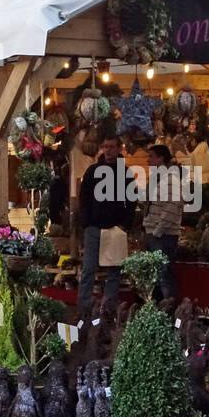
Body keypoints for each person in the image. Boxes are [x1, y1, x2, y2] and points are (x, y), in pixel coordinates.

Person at [77, 134, 134, 315]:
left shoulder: (125, 173)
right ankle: (85, 306)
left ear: (118, 149)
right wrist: (86, 222)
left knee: (114, 270)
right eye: (106, 147)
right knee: (88, 269)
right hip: (94, 227)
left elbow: (131, 200)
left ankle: (108, 307)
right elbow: (84, 198)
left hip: (116, 228)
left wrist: (125, 224)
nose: (108, 150)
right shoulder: (93, 171)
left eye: (112, 147)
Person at [142, 144, 183, 301]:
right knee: (156, 278)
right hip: (154, 233)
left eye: (151, 156)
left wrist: (158, 230)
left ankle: (168, 312)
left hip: (163, 236)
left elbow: (172, 207)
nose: (148, 160)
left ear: (161, 158)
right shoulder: (158, 179)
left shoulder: (171, 180)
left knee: (164, 276)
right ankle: (157, 311)